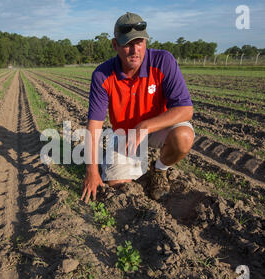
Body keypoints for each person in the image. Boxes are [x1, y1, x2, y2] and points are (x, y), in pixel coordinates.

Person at [81, 12, 194, 203]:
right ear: (115, 45)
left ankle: (159, 170)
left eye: (139, 42)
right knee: (117, 184)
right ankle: (133, 166)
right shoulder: (102, 75)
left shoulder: (163, 61)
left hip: (158, 128)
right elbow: (95, 126)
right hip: (125, 135)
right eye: (127, 44)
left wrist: (145, 126)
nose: (135, 50)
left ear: (146, 42)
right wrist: (91, 171)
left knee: (183, 136)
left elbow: (185, 109)